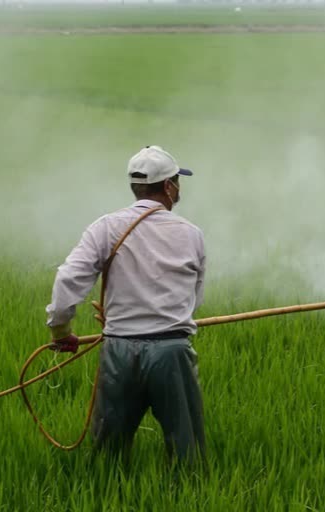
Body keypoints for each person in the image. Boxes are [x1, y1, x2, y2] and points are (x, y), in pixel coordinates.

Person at [44, 145, 206, 465]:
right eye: (177, 181)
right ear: (168, 187)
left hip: (119, 350)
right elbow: (194, 298)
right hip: (171, 350)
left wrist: (61, 331)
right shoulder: (191, 235)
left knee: (109, 454)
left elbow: (68, 280)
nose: (179, 188)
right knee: (187, 452)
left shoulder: (105, 227)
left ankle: (107, 493)